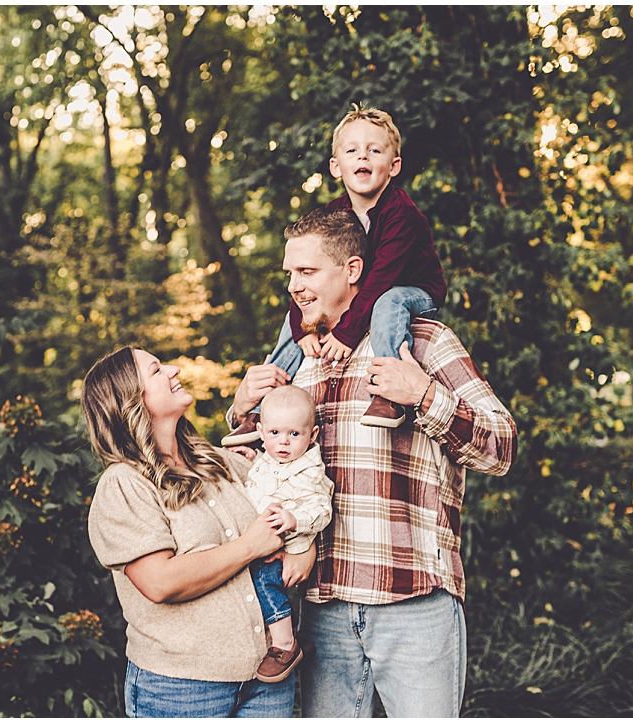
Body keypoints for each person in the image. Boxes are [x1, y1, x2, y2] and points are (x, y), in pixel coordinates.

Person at [226, 209, 517, 717]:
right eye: (290, 273)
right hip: (321, 608)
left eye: (307, 271)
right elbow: (257, 467)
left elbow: (501, 446)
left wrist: (424, 394)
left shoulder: (422, 342)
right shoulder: (296, 360)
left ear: (352, 270)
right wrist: (240, 409)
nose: (293, 286)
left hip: (413, 602)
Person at [81, 347, 316, 718]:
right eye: (156, 370)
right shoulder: (124, 484)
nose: (173, 370)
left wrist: (304, 547)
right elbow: (160, 582)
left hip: (267, 679)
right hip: (182, 688)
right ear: (130, 400)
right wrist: (249, 546)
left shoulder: (219, 462)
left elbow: (295, 491)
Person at [223, 106, 447, 445]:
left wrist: (345, 333)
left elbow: (380, 280)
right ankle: (261, 410)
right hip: (370, 293)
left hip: (413, 290)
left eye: (375, 150)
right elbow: (306, 279)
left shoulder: (402, 215)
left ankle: (388, 393)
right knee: (297, 315)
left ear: (394, 166)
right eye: (352, 150)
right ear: (335, 166)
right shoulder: (333, 214)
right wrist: (302, 329)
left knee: (389, 301)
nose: (363, 156)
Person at [241, 385, 334, 684]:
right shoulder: (268, 460)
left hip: (287, 545)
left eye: (294, 434)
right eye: (274, 433)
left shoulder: (310, 471)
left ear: (312, 435)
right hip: (260, 541)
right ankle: (284, 634)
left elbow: (322, 511)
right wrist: (252, 461)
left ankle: (285, 644)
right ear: (260, 431)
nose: (283, 441)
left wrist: (295, 520)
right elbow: (264, 481)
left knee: (264, 581)